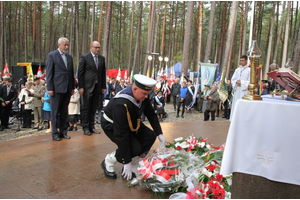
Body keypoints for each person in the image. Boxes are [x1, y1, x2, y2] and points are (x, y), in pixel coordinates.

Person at [100, 74, 166, 180]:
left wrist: (160, 134)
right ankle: (109, 161)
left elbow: (150, 114)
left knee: (150, 136)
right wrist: (126, 161)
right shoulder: (121, 103)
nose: (146, 97)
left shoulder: (142, 95)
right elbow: (121, 134)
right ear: (134, 89)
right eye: (144, 93)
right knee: (134, 148)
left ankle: (133, 162)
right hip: (112, 125)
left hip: (131, 122)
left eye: (147, 94)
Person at [46, 37, 75, 141]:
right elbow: (49, 73)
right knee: (54, 112)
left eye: (67, 45)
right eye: (64, 45)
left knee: (64, 112)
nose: (66, 47)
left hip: (67, 88)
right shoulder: (52, 56)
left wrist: (72, 87)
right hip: (56, 88)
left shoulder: (69, 57)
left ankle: (63, 132)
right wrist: (50, 87)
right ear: (59, 45)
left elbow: (71, 73)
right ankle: (54, 133)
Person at [78, 41, 106, 136]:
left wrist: (103, 86)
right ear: (91, 47)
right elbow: (80, 73)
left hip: (97, 87)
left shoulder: (101, 58)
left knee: (94, 108)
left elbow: (103, 73)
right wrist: (81, 87)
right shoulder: (85, 57)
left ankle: (92, 126)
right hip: (87, 87)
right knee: (86, 108)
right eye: (96, 47)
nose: (98, 49)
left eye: (99, 47)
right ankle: (85, 127)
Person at [230, 55, 250, 120]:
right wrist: (236, 82)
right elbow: (233, 79)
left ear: (246, 60)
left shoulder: (249, 70)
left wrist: (242, 82)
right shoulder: (237, 70)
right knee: (236, 105)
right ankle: (234, 119)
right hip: (237, 90)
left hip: (244, 91)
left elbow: (250, 82)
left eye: (243, 60)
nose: (241, 62)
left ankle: (243, 119)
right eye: (240, 60)